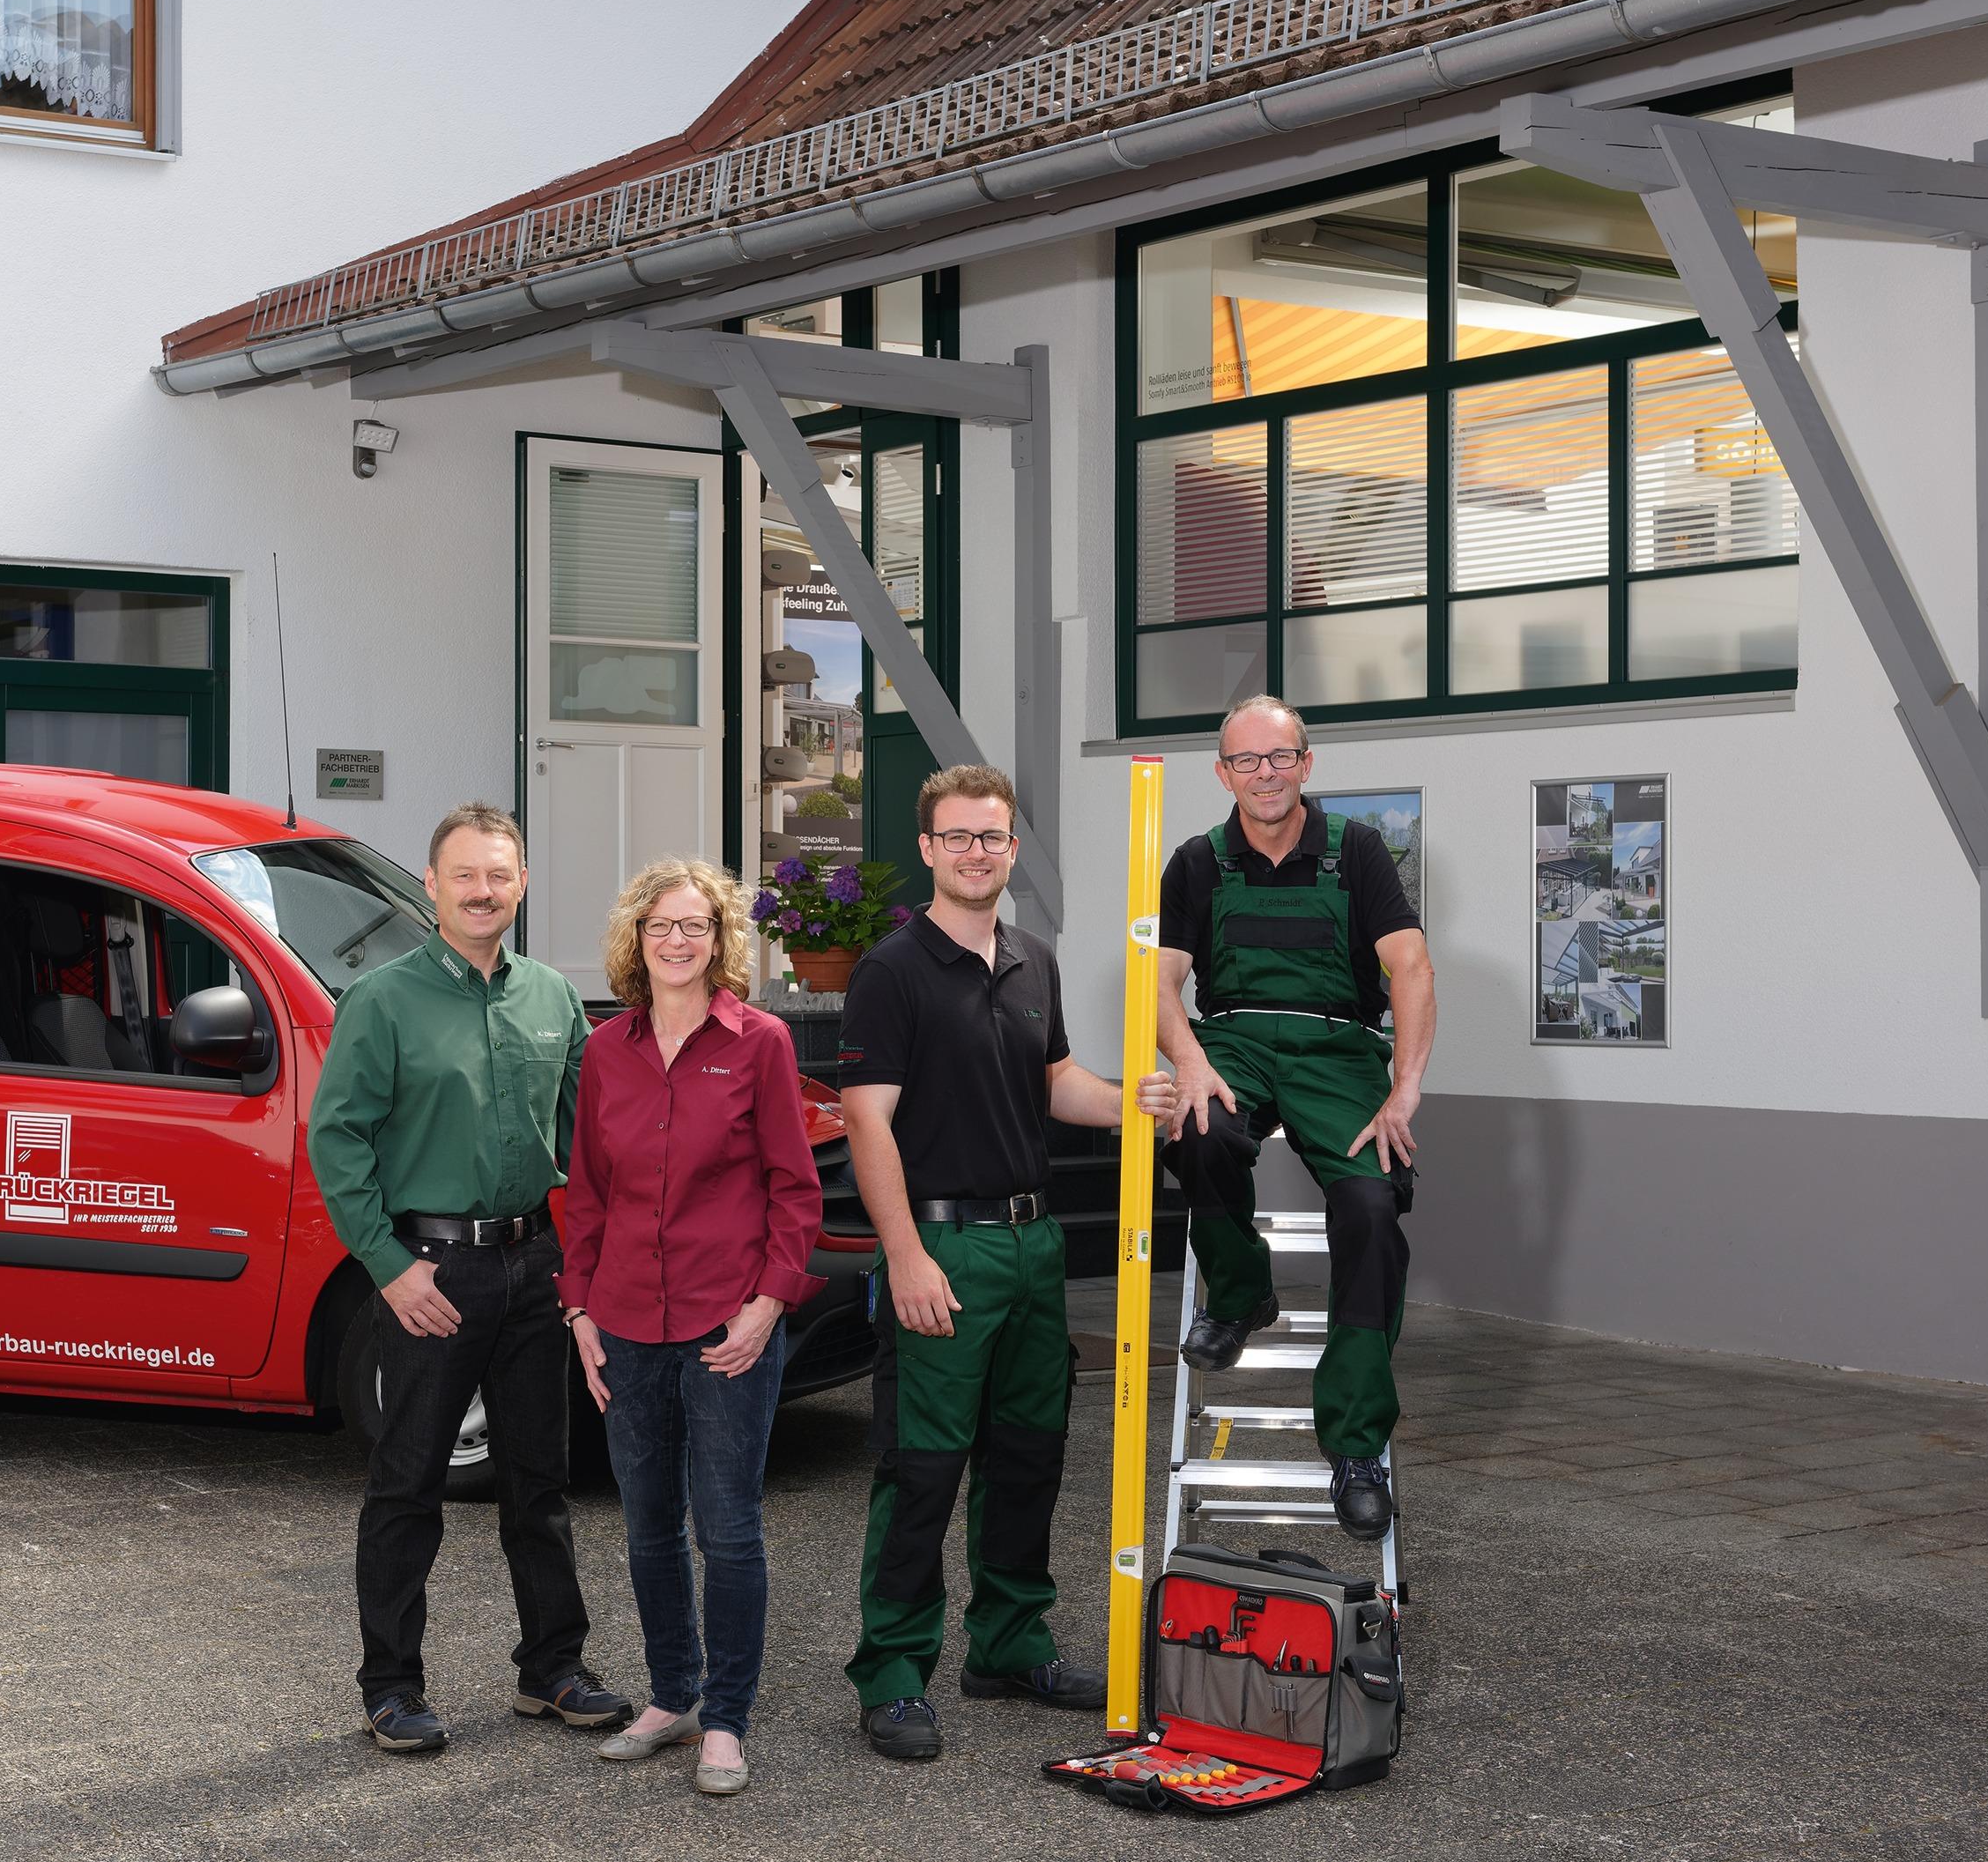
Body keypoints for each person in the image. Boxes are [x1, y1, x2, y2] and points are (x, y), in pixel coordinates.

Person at [839, 764, 1180, 1762]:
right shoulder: (890, 971)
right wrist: (902, 1255)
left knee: (1029, 1457)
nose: (976, 852)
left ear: (1011, 850)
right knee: (923, 1468)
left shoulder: (1033, 958)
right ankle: (894, 1673)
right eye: (958, 837)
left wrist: (1130, 1100)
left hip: (1034, 1250)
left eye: (991, 837)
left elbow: (1055, 1081)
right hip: (941, 1246)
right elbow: (867, 1125)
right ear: (929, 848)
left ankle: (1009, 1644)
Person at [307, 802, 632, 1754]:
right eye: (464, 876)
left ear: (521, 882)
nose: (483, 891)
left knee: (539, 1480)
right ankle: (391, 1685)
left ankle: (552, 1669)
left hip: (532, 1265)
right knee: (406, 1483)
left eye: (499, 874)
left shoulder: (552, 1000)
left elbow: (589, 1138)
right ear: (433, 885)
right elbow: (337, 1142)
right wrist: (389, 1266)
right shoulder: (383, 1000)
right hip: (431, 1273)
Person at [560, 857, 821, 1798]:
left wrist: (766, 1305)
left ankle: (724, 1719)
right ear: (636, 940)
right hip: (625, 1320)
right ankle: (669, 1696)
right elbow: (585, 1193)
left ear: (720, 943)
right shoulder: (603, 1051)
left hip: (726, 1325)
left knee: (728, 1526)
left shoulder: (759, 1043)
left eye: (696, 927)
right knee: (645, 1528)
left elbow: (795, 1190)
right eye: (661, 925)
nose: (678, 941)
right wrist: (580, 1310)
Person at [1156, 695, 1436, 1542]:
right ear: (1223, 772)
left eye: (1280, 757)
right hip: (1233, 1038)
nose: (1265, 773)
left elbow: (1411, 969)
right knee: (1197, 1129)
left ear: (1307, 763)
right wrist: (1191, 1061)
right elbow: (1162, 983)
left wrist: (1404, 1088)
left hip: (1340, 1048)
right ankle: (1241, 1294)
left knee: (1371, 1206)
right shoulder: (1197, 863)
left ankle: (1353, 1445)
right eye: (1247, 760)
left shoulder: (1356, 851)